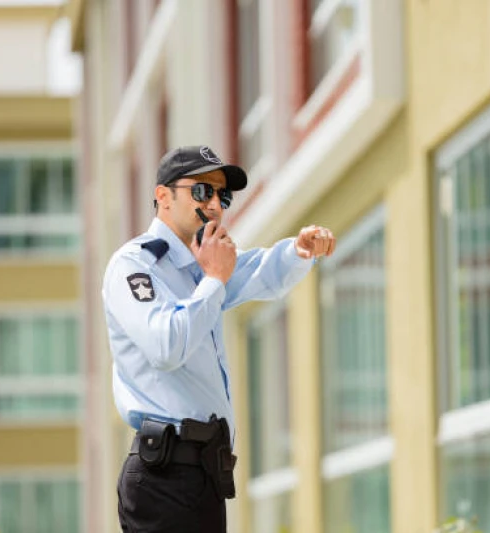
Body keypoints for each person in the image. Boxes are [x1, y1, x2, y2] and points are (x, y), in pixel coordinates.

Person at [101, 145, 335, 532]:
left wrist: (300, 249)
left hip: (204, 473)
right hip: (163, 476)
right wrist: (213, 280)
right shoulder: (134, 264)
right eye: (201, 191)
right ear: (163, 196)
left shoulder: (201, 264)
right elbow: (166, 346)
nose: (214, 204)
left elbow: (262, 271)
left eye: (222, 195)